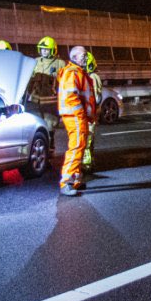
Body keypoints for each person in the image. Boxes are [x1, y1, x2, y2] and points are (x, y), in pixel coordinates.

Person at [58, 46, 96, 196]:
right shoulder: (72, 72)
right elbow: (71, 97)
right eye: (83, 55)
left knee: (79, 147)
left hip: (78, 116)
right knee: (76, 147)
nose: (86, 58)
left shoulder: (78, 72)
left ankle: (75, 180)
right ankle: (66, 182)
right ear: (73, 57)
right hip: (75, 116)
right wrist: (82, 113)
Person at [26, 36, 66, 132]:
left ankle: (50, 143)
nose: (44, 51)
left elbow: (64, 82)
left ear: (53, 50)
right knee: (36, 125)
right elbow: (29, 78)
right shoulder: (35, 61)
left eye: (46, 49)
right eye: (42, 49)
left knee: (50, 124)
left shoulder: (60, 63)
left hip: (50, 101)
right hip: (35, 100)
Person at [82, 51, 103, 174]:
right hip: (87, 113)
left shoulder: (93, 77)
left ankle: (87, 164)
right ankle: (88, 162)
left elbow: (96, 97)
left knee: (87, 139)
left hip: (89, 113)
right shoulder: (86, 77)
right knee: (87, 139)